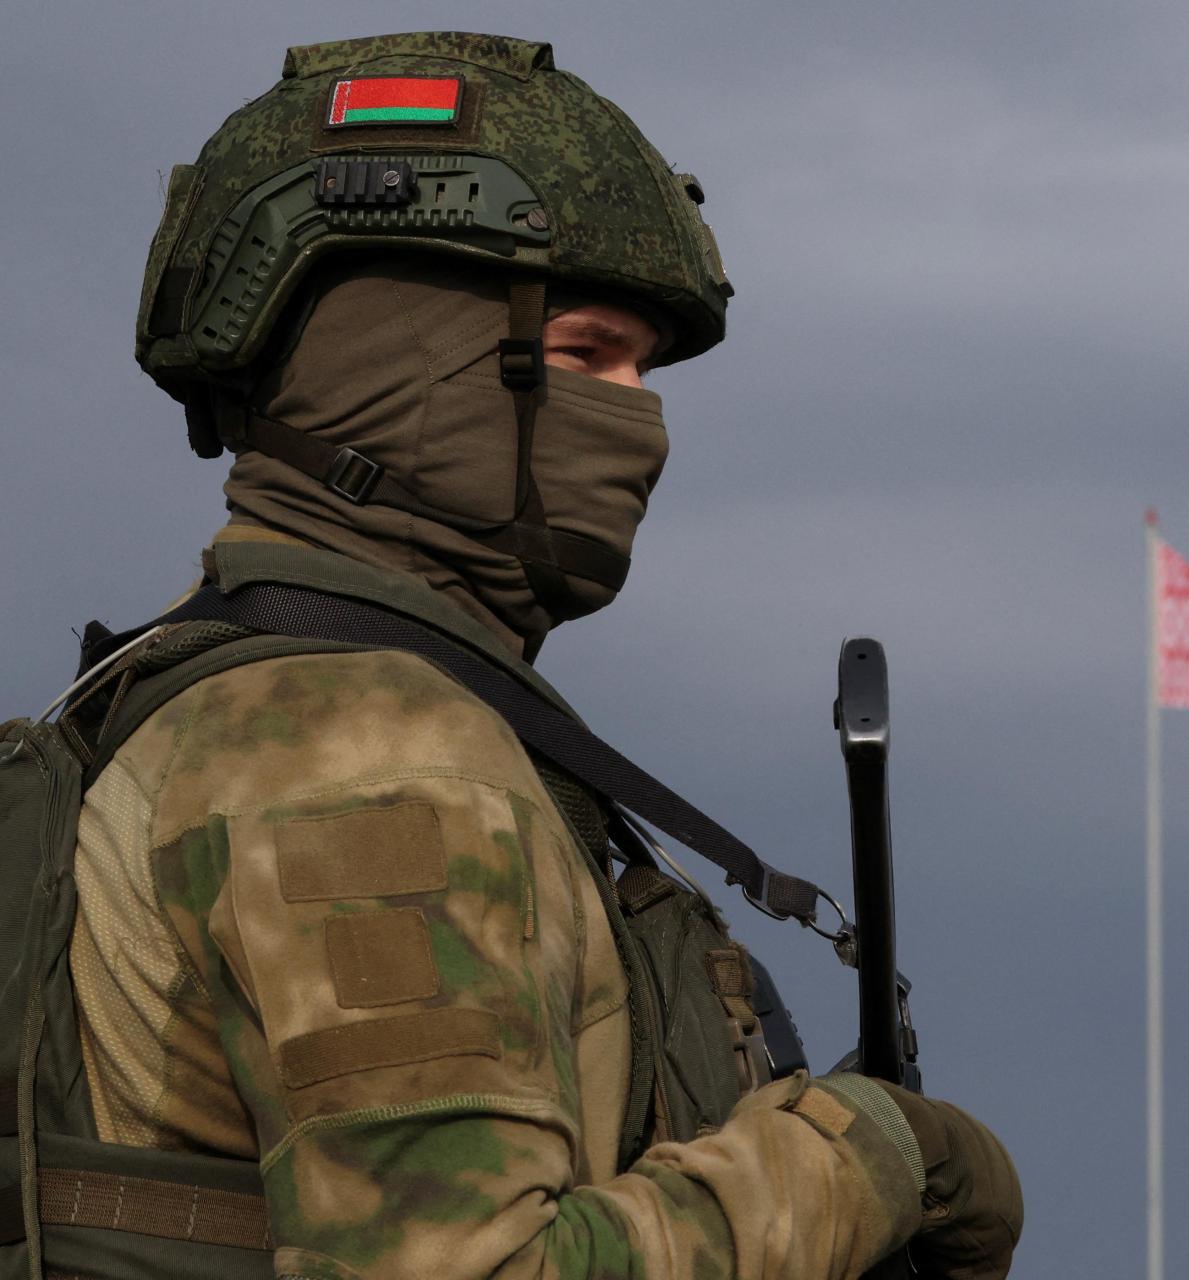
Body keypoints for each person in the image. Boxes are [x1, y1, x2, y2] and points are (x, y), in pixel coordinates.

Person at [23, 30, 1021, 1280]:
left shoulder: (173, 697)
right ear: (397, 361)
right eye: (587, 356)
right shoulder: (364, 750)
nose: (641, 424)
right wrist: (860, 1158)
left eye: (644, 373)